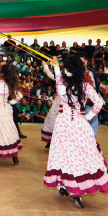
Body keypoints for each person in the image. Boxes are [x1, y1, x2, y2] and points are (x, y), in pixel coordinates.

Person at [43, 56, 107, 209]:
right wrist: (89, 116)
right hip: (79, 123)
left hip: (63, 123)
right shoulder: (85, 86)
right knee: (82, 154)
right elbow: (100, 102)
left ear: (67, 70)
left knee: (63, 155)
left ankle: (65, 186)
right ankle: (74, 190)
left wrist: (55, 66)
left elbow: (57, 76)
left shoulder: (60, 84)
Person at [77, 51, 107, 138]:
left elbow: (95, 84)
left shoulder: (91, 71)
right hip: (81, 106)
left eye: (82, 62)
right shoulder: (75, 74)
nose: (80, 65)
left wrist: (101, 86)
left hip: (92, 105)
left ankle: (91, 147)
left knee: (93, 131)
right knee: (82, 132)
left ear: (86, 62)